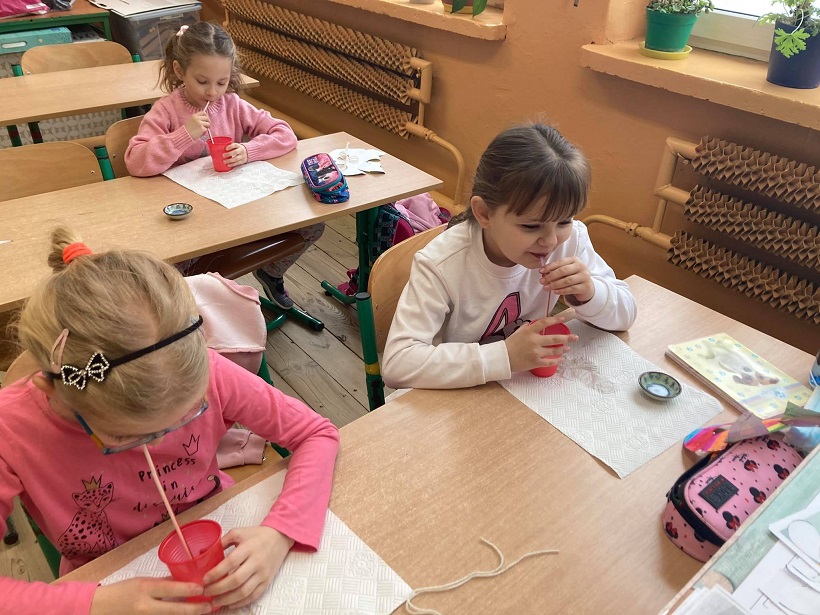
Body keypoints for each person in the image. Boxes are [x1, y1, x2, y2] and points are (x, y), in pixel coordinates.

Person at [0, 227, 339, 614]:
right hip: (105, 580)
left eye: (185, 416)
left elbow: (317, 433)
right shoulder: (12, 428)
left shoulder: (205, 374)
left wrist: (279, 533)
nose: (158, 444)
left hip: (219, 526)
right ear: (50, 389)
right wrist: (98, 603)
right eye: (123, 436)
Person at [382, 123, 637, 390]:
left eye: (564, 221)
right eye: (531, 226)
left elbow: (627, 315)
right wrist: (505, 356)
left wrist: (590, 292)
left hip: (519, 388)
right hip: (453, 391)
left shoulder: (571, 240)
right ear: (484, 213)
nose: (551, 241)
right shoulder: (442, 264)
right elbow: (398, 365)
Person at [125, 21, 322, 310]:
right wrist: (183, 135)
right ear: (179, 71)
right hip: (189, 218)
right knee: (172, 271)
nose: (212, 92)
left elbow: (284, 134)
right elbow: (135, 160)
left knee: (311, 225)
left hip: (231, 208)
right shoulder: (166, 110)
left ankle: (271, 272)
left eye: (222, 82)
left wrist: (248, 150)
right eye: (202, 81)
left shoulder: (232, 104)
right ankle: (193, 306)